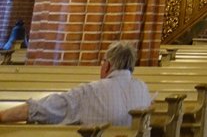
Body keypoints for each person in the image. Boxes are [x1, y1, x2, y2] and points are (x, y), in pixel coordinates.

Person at [0, 41, 152, 125]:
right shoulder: (143, 89)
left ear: (107, 66)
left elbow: (47, 107)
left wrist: (3, 115)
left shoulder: (91, 91)